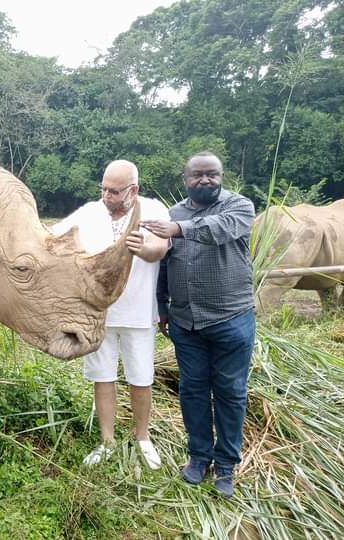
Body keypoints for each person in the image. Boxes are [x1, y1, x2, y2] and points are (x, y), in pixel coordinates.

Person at [142, 152, 256, 498]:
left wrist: (177, 230)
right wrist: (161, 305)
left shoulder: (239, 207)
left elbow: (217, 231)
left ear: (222, 176)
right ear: (185, 178)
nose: (205, 180)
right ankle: (198, 457)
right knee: (192, 391)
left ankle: (226, 466)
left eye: (212, 174)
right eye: (198, 175)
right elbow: (161, 264)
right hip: (186, 322)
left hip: (231, 318)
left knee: (230, 392)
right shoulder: (171, 215)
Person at [51, 160, 169, 470]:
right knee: (102, 376)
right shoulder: (90, 212)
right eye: (104, 189)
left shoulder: (153, 210)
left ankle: (142, 438)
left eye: (115, 192)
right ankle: (107, 441)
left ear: (134, 190)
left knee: (141, 377)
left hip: (140, 313)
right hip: (98, 314)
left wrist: (144, 248)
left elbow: (161, 248)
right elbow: (54, 236)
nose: (108, 197)